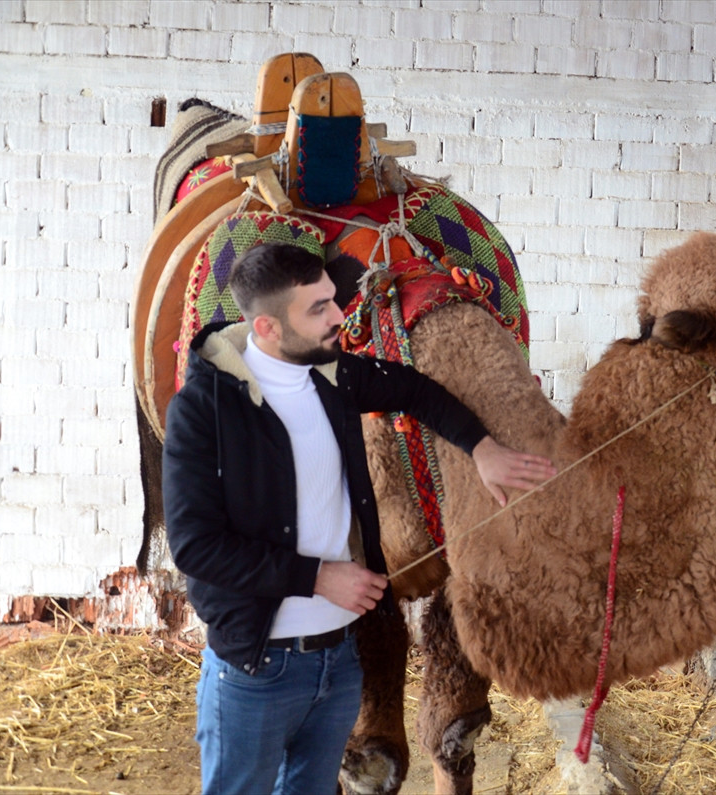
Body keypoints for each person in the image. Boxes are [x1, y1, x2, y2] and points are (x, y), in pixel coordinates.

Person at [162, 242, 555, 794]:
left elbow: (415, 390)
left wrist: (482, 449)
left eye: (332, 299)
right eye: (318, 308)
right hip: (256, 670)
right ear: (269, 328)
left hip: (339, 665)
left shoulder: (333, 375)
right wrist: (319, 578)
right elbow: (197, 548)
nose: (340, 316)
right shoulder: (203, 410)